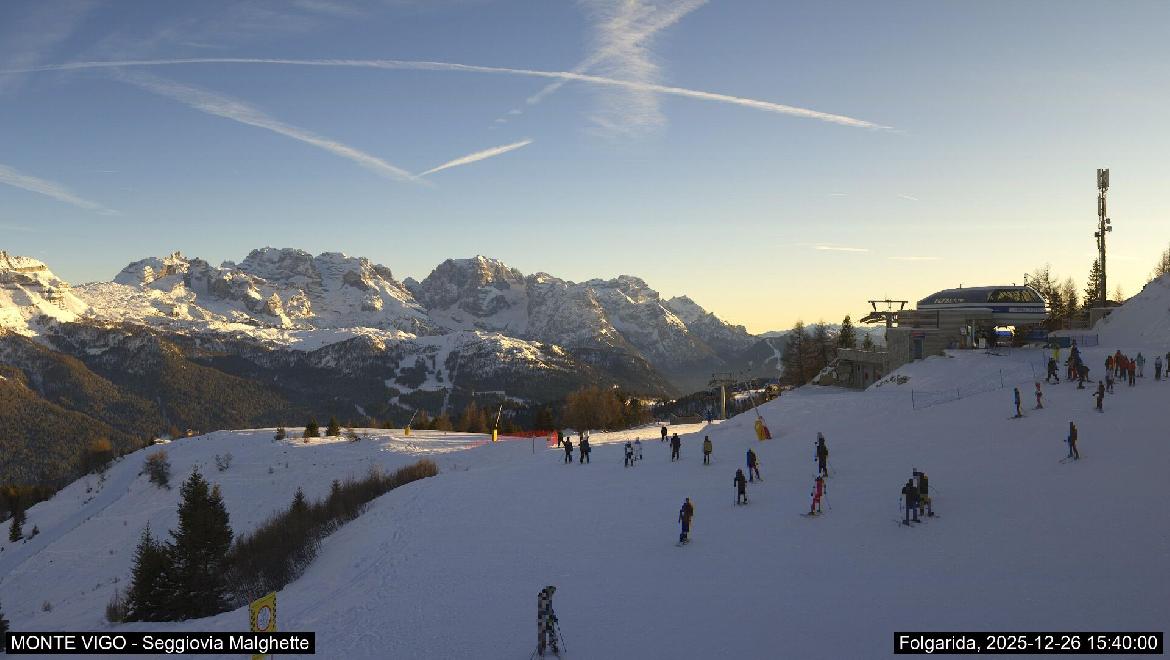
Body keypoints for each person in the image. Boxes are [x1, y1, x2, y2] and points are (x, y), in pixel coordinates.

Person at [537, 586, 559, 657]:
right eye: (552, 592)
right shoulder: (543, 597)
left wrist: (553, 615)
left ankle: (552, 645)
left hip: (547, 618)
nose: (553, 593)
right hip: (543, 618)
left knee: (551, 631)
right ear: (549, 591)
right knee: (544, 632)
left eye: (553, 592)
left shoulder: (547, 597)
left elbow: (549, 608)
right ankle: (542, 648)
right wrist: (551, 615)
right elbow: (544, 609)